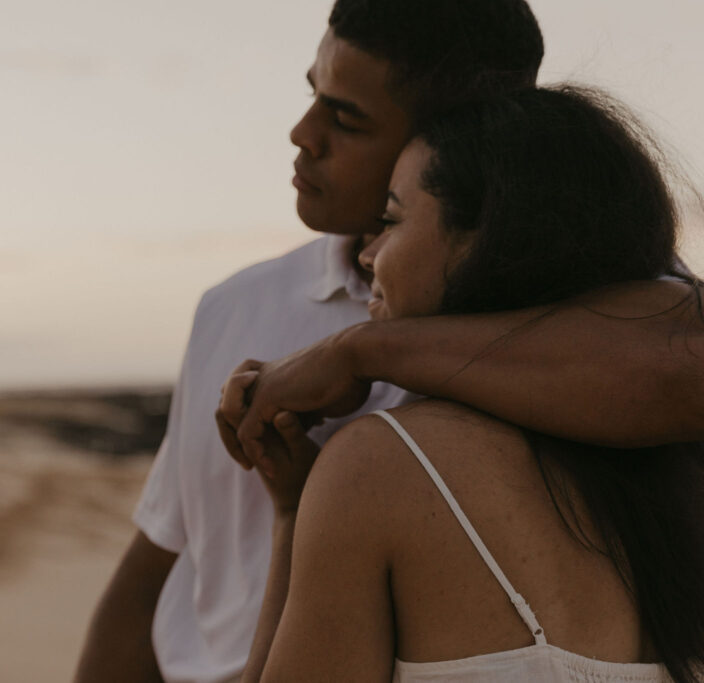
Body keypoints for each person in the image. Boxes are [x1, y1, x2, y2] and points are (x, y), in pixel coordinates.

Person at [74, 2, 704, 681]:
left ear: (462, 133)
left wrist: (360, 351)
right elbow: (159, 560)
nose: (302, 133)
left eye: (346, 118)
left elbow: (684, 371)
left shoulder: (618, 303)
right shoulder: (235, 306)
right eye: (313, 93)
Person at [230, 86, 703, 682]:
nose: (369, 254)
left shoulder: (384, 467)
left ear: (482, 238)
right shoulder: (682, 483)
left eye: (391, 220)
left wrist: (298, 513)